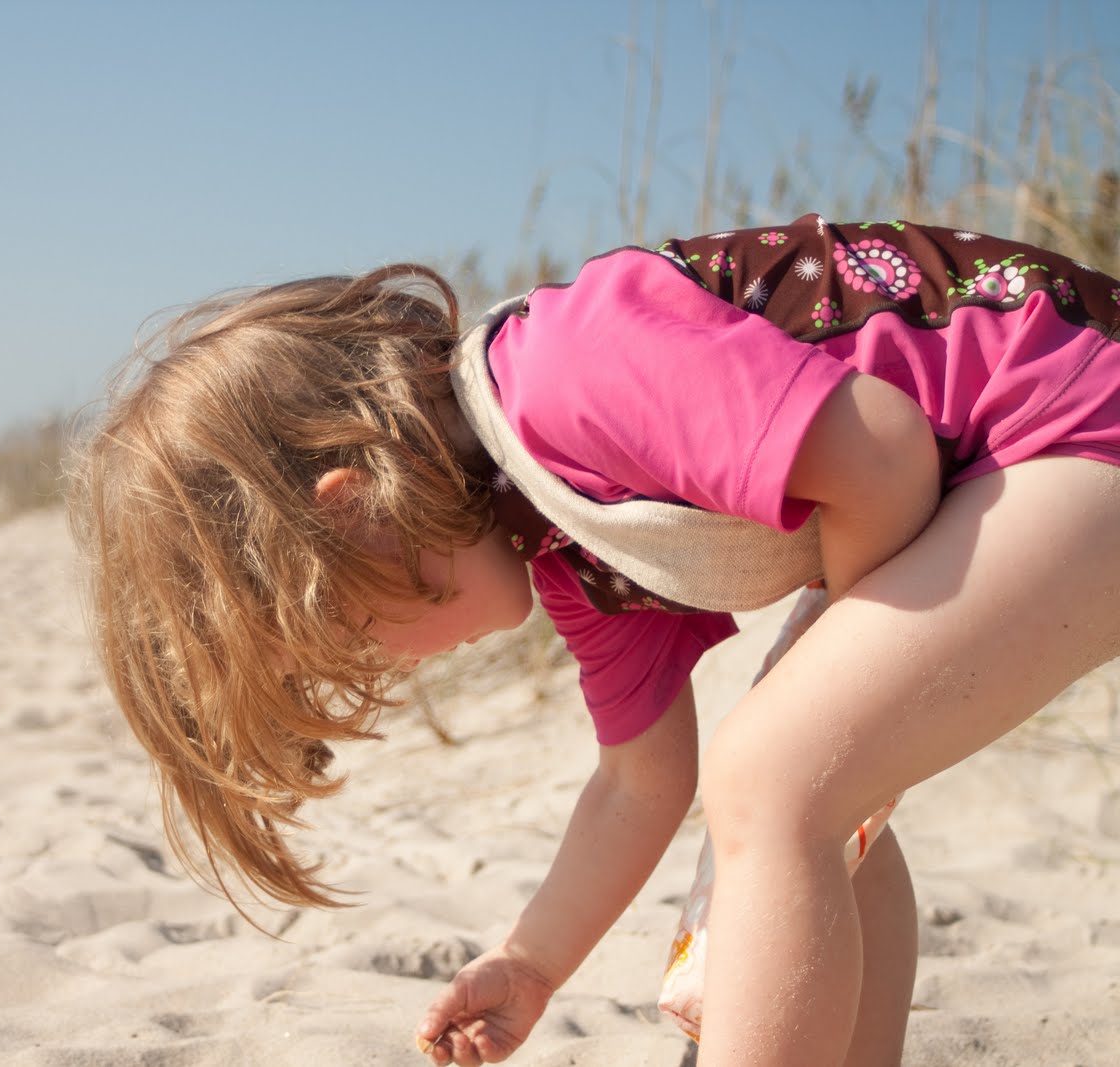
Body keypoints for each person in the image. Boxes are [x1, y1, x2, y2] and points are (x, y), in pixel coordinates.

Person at [69, 214, 1120, 1067]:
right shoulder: (568, 539)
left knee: (777, 773)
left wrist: (828, 649)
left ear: (355, 510)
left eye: (351, 635)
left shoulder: (566, 375)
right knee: (824, 800)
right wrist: (530, 963)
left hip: (1072, 419)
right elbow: (636, 782)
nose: (392, 664)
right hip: (1024, 473)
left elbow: (883, 451)